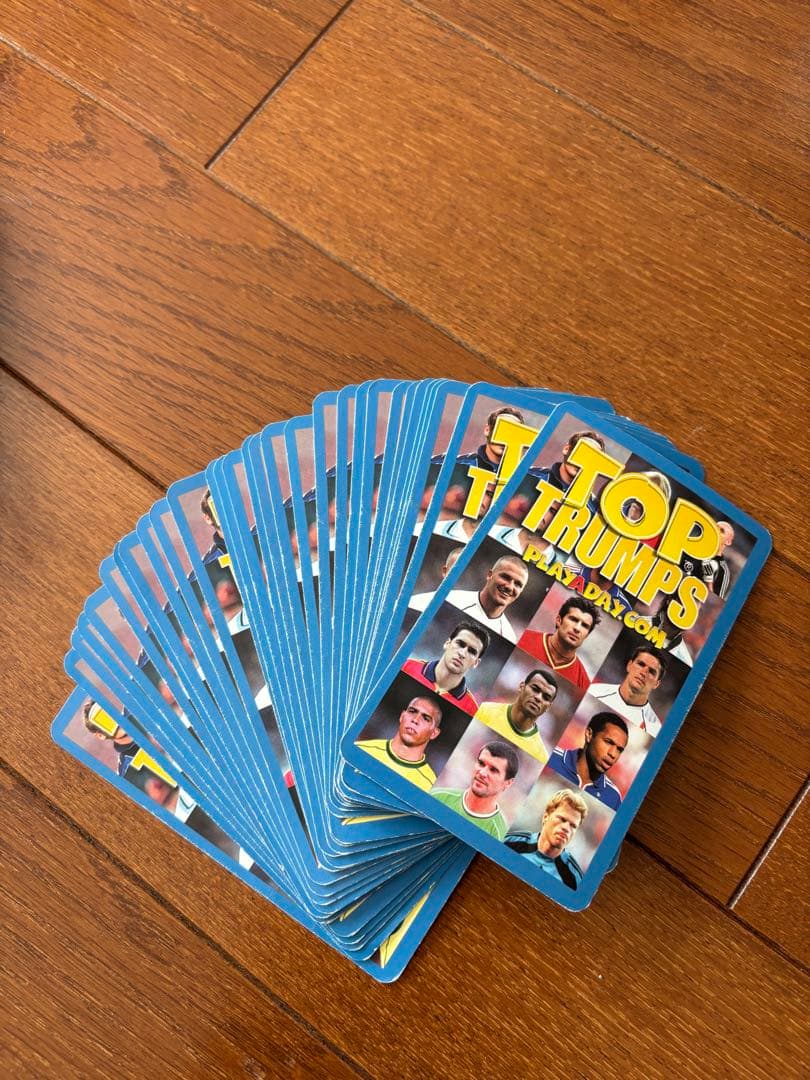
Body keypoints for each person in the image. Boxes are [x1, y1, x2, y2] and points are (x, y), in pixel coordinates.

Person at [432, 741, 520, 840]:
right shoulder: (437, 797)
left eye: (493, 770)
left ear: (508, 783)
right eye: (481, 763)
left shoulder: (498, 835)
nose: (482, 773)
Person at [356, 695, 443, 791]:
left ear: (434, 733)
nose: (415, 720)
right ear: (402, 716)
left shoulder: (430, 786)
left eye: (426, 718)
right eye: (412, 711)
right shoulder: (362, 749)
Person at [505, 789, 588, 889]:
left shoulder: (575, 880)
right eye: (562, 819)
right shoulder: (510, 842)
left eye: (573, 826)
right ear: (545, 817)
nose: (566, 828)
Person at [474, 668, 559, 765]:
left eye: (546, 697)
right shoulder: (485, 711)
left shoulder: (540, 755)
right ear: (521, 687)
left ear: (548, 706)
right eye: (535, 689)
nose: (538, 698)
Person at [402, 622, 490, 715]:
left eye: (471, 651)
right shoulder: (406, 666)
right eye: (460, 644)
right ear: (447, 643)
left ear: (476, 663)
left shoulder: (472, 709)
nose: (462, 654)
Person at [517, 596, 600, 692]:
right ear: (558, 620)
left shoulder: (583, 681)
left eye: (584, 626)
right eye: (573, 619)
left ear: (587, 635)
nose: (577, 628)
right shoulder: (523, 639)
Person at [440, 554, 529, 643]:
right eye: (505, 577)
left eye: (518, 584)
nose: (509, 587)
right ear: (490, 575)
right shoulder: (452, 599)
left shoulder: (509, 636)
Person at [548, 712, 628, 810]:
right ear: (589, 734)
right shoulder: (552, 758)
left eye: (619, 750)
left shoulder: (613, 797)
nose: (613, 754)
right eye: (608, 742)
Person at [590, 646, 666, 736]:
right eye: (641, 664)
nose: (643, 672)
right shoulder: (595, 691)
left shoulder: (654, 728)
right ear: (629, 665)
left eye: (651, 671)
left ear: (656, 684)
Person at [82, 700, 141, 777]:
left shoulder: (136, 707)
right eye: (104, 721)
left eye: (110, 713)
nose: (113, 720)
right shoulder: (126, 770)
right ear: (100, 735)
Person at [408, 546, 464, 612]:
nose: (461, 574)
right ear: (444, 571)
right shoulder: (418, 603)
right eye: (456, 570)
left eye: (465, 570)